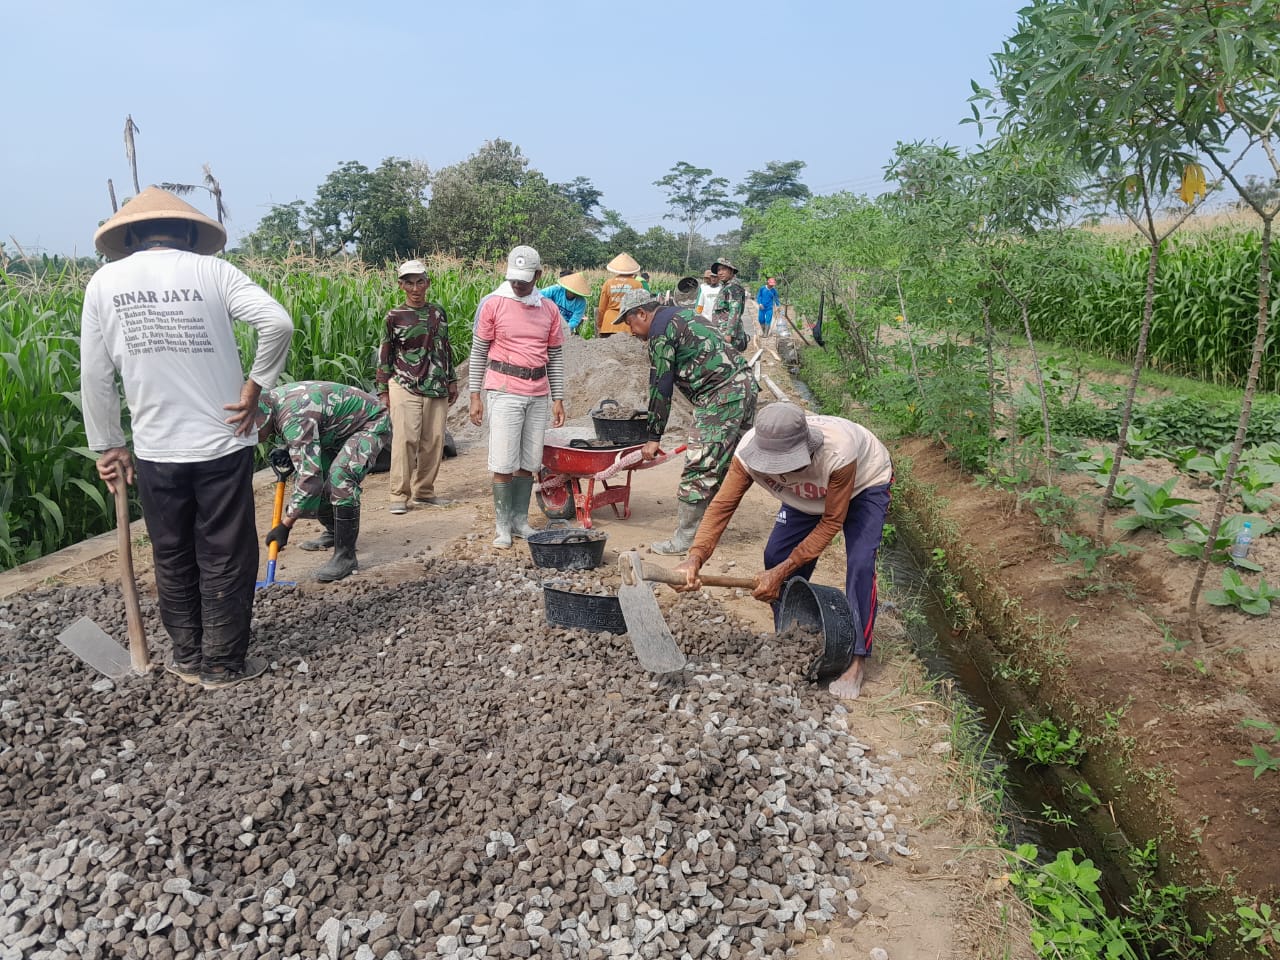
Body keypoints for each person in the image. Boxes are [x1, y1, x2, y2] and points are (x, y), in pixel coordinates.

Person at [79, 187, 294, 690]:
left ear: (131, 236)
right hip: (223, 438)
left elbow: (95, 373)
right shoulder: (212, 272)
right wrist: (255, 386)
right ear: (191, 235)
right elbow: (277, 322)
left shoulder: (104, 282)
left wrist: (109, 444)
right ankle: (221, 665)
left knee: (171, 551)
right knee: (225, 550)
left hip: (156, 448)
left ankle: (187, 656)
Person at [672, 403, 893, 700]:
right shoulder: (748, 454)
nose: (778, 471)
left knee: (861, 563)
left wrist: (780, 573)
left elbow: (831, 523)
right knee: (775, 556)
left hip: (862, 485)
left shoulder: (838, 452)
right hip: (805, 495)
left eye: (786, 464)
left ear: (806, 450)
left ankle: (856, 660)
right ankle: (793, 636)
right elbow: (722, 506)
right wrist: (694, 557)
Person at [616, 288, 758, 555]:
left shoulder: (660, 333)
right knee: (730, 464)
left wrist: (653, 437)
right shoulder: (681, 315)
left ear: (642, 314)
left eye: (629, 323)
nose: (631, 331)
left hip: (721, 395)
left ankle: (686, 540)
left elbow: (661, 385)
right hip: (745, 385)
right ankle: (709, 527)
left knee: (699, 466)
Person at [468, 245, 566, 548]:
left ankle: (520, 521)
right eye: (514, 278)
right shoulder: (493, 304)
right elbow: (479, 351)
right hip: (504, 389)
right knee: (502, 461)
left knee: (529, 461)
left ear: (539, 274)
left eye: (525, 279)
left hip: (538, 393)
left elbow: (555, 355)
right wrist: (475, 395)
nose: (519, 284)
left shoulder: (548, 308)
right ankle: (502, 526)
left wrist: (558, 397)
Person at [254, 382, 391, 582]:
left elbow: (309, 478)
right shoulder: (274, 402)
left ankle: (346, 556)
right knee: (322, 478)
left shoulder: (294, 417)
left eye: (255, 433)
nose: (255, 439)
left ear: (263, 419)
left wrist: (286, 525)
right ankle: (335, 532)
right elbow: (309, 426)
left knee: (340, 478)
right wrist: (288, 448)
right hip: (336, 431)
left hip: (371, 422)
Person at [376, 260, 458, 515]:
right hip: (404, 383)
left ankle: (424, 491)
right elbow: (385, 353)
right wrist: (382, 391)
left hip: (436, 384)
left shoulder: (438, 313)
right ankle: (399, 495)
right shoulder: (394, 317)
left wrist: (452, 379)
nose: (415, 287)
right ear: (401, 285)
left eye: (420, 281)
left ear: (428, 283)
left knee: (434, 441)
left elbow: (445, 348)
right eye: (409, 282)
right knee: (405, 439)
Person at [595, 252, 644, 336]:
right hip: (628, 324)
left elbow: (602, 308)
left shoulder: (608, 283)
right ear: (632, 271)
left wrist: (600, 324)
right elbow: (641, 307)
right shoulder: (637, 284)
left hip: (608, 324)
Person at [709, 257, 748, 351]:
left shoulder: (733, 287)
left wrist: (729, 334)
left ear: (731, 271)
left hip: (728, 335)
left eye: (724, 269)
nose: (720, 272)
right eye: (718, 270)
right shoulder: (726, 286)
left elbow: (735, 311)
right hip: (721, 331)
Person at [540, 270, 591, 335]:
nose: (573, 293)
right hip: (550, 321)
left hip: (566, 326)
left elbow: (574, 321)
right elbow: (539, 295)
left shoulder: (581, 302)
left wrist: (562, 330)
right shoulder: (556, 290)